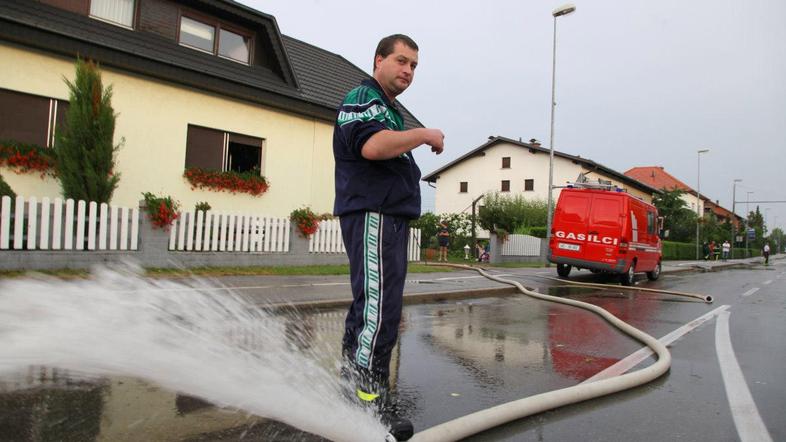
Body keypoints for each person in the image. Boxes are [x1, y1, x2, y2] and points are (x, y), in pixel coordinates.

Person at [332, 34, 444, 437]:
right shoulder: (364, 98)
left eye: (414, 65)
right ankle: (367, 399)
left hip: (387, 218)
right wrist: (423, 133)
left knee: (376, 308)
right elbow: (374, 147)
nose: (408, 71)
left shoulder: (388, 109)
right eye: (401, 61)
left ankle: (353, 386)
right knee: (378, 310)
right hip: (374, 215)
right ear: (378, 59)